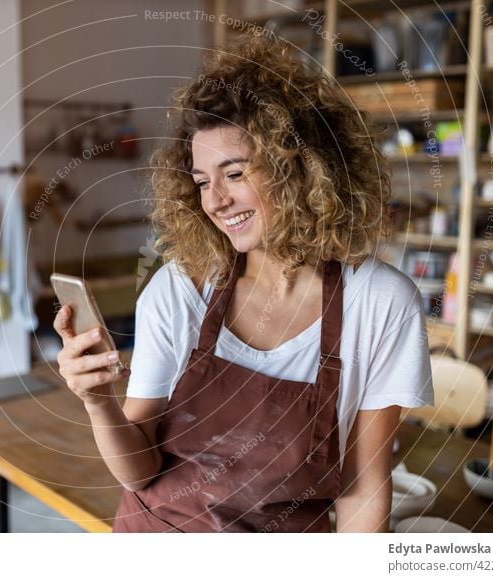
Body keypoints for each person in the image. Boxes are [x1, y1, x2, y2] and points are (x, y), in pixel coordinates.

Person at [53, 34, 434, 533]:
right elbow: (138, 472)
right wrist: (97, 401)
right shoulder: (180, 290)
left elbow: (363, 488)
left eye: (233, 173)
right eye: (202, 181)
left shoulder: (381, 303)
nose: (215, 201)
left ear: (299, 167)